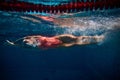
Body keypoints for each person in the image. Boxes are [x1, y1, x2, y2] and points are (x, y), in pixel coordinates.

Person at [6, 34, 104, 49]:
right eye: (26, 43)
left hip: (58, 38)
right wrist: (14, 44)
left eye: (26, 40)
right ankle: (96, 42)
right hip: (58, 45)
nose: (26, 42)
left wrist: (15, 42)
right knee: (77, 43)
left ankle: (96, 37)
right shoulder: (35, 48)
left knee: (76, 37)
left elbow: (23, 39)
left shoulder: (34, 37)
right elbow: (23, 47)